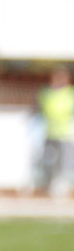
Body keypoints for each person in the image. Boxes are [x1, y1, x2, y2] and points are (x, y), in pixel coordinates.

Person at [38, 67, 74, 197]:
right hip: (50, 132)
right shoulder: (47, 93)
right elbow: (41, 108)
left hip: (65, 133)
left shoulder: (70, 93)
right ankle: (50, 185)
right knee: (49, 161)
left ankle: (63, 187)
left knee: (65, 162)